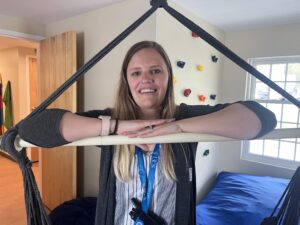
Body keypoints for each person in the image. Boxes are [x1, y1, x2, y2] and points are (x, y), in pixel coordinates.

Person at [18, 41, 277, 225]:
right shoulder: (110, 120)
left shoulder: (186, 117)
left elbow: (260, 119)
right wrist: (115, 127)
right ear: (127, 81)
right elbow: (31, 128)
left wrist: (176, 128)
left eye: (155, 71)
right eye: (136, 73)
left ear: (167, 77)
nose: (146, 80)